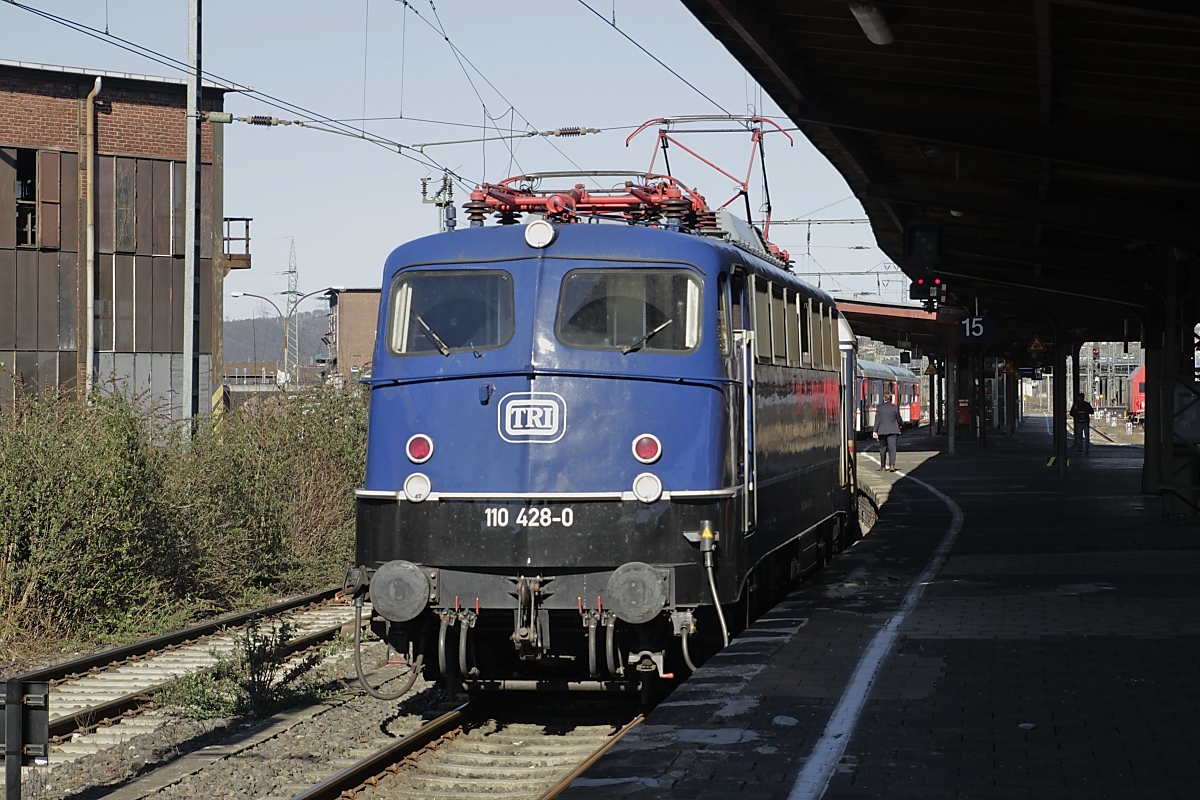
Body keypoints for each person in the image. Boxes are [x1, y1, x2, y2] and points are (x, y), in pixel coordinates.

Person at [873, 391, 905, 472]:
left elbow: (877, 420)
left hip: (882, 431)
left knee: (882, 449)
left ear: (884, 398)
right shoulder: (895, 407)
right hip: (893, 431)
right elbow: (899, 419)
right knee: (892, 448)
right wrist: (900, 425)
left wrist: (875, 431)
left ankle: (883, 466)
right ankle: (892, 466)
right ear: (891, 399)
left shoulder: (880, 408)